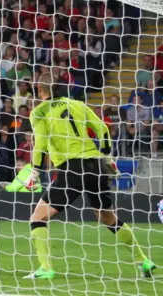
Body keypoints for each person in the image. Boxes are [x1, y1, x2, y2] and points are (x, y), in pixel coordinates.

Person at [23, 74, 156, 279]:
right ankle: (144, 261)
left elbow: (40, 144)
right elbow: (102, 128)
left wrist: (34, 173)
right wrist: (108, 158)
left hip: (72, 169)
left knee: (37, 218)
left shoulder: (39, 112)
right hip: (96, 166)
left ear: (40, 90)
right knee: (107, 217)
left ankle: (46, 269)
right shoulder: (78, 104)